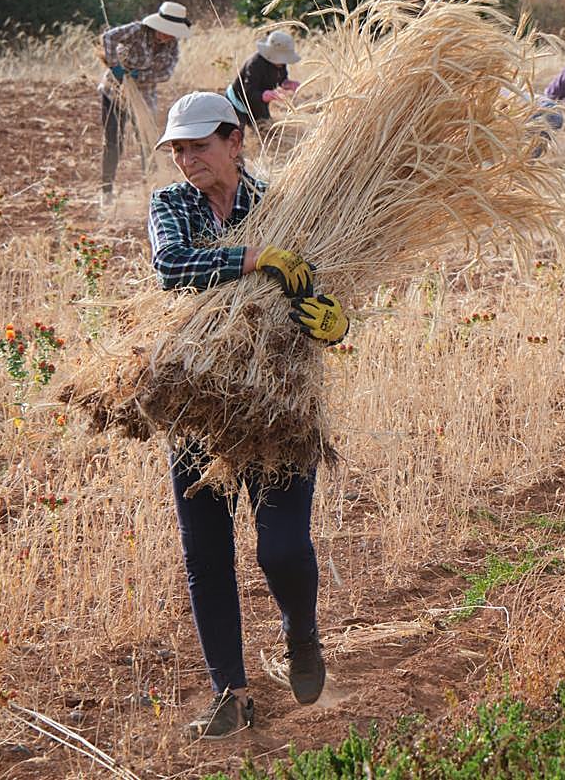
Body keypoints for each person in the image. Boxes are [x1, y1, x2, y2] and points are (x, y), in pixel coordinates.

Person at [147, 92, 351, 738]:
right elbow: (172, 266)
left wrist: (334, 321)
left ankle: (302, 631)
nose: (186, 160)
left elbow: (326, 288)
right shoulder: (171, 205)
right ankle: (229, 695)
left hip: (277, 404)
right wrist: (256, 258)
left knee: (282, 548)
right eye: (178, 149)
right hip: (198, 405)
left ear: (235, 142)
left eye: (198, 145)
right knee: (206, 557)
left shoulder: (286, 206)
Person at [98, 1, 192, 207]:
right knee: (113, 142)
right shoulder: (137, 31)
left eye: (172, 32)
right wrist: (115, 66)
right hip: (115, 91)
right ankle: (106, 191)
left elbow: (166, 73)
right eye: (165, 30)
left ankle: (150, 190)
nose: (167, 36)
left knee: (148, 143)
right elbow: (108, 37)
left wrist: (139, 75)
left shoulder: (172, 45)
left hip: (144, 95)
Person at [224, 30, 302, 130]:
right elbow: (249, 91)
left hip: (259, 103)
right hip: (239, 102)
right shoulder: (255, 64)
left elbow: (281, 78)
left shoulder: (281, 63)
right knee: (237, 134)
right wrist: (264, 95)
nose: (283, 63)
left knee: (267, 129)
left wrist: (286, 83)